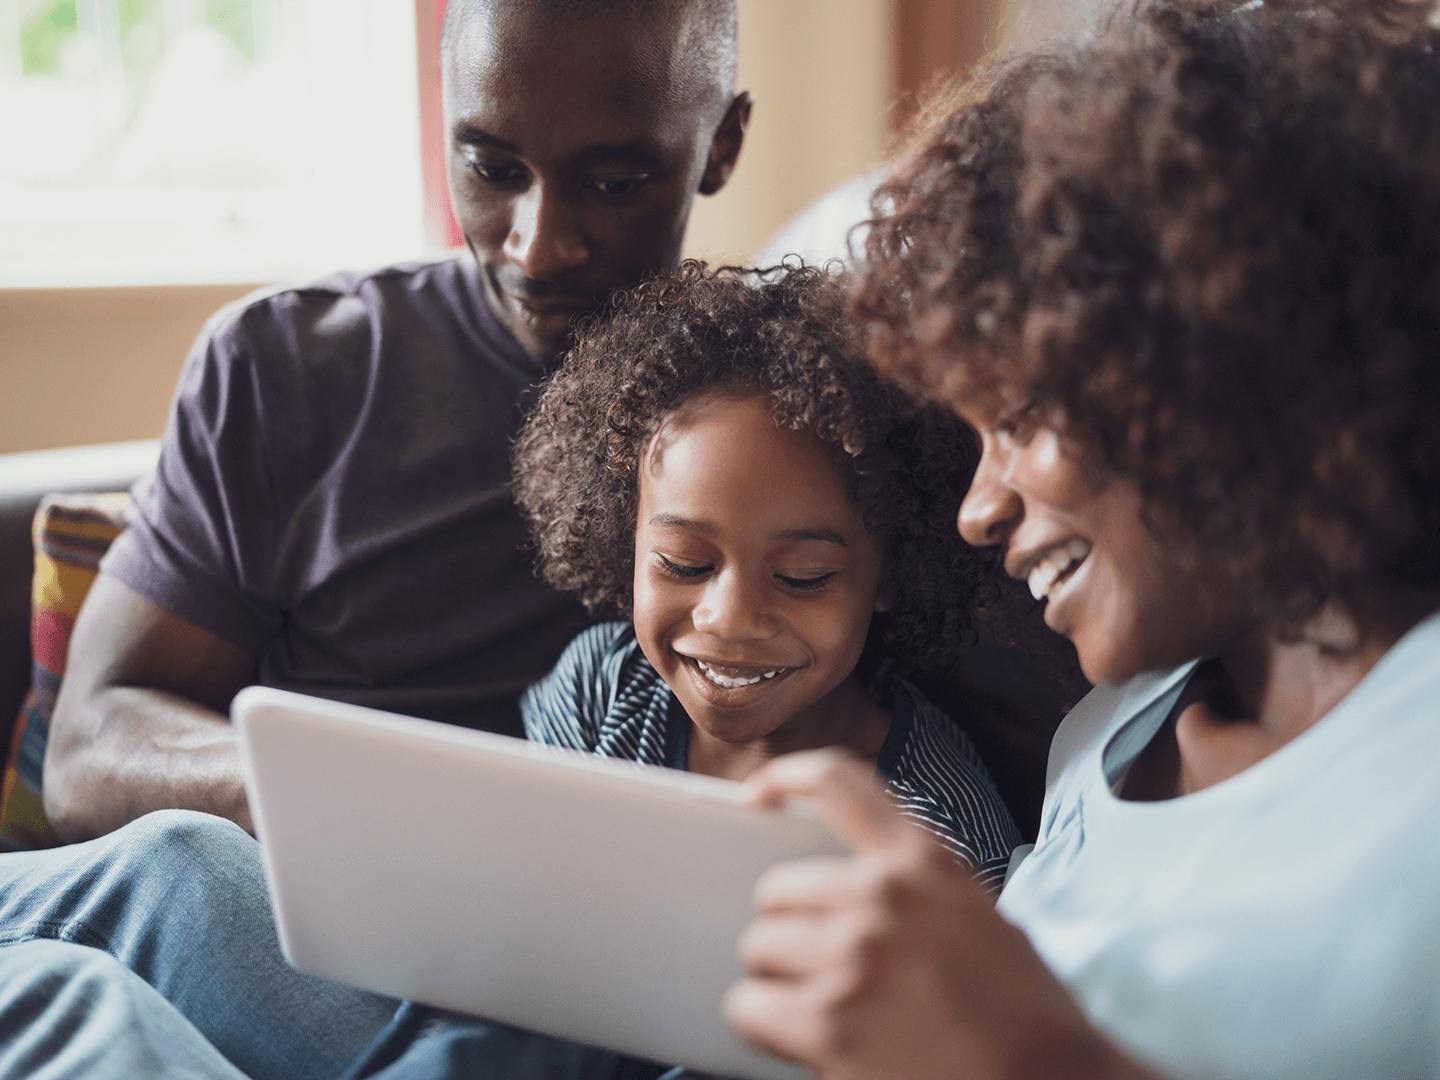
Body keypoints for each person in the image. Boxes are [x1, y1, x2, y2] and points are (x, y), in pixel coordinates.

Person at [0, 263, 1021, 1080]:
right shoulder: (606, 686)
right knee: (172, 859)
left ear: (889, 570)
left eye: (802, 575)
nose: (728, 618)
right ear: (623, 544)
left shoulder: (928, 843)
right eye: (682, 564)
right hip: (463, 1039)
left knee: (63, 1005)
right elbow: (500, 947)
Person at [722, 3, 1440, 1079]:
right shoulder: (1101, 739)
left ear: (1219, 354)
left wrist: (1038, 1056)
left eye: (1016, 421)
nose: (977, 509)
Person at [38, 0, 751, 843]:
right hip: (282, 890)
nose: (536, 245)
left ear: (721, 147)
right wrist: (352, 800)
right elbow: (88, 747)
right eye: (492, 169)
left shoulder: (794, 412)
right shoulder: (285, 369)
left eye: (614, 185)